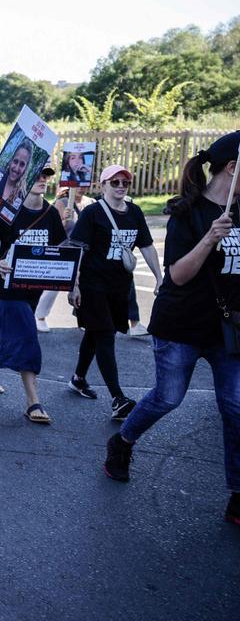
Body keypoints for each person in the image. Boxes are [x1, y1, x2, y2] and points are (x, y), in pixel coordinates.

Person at [103, 131, 240, 527]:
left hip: (227, 329)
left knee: (235, 407)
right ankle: (122, 442)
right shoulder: (186, 212)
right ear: (232, 167)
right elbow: (178, 275)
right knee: (168, 397)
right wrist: (210, 239)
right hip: (181, 324)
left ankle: (237, 493)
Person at [68, 164, 161, 420]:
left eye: (124, 183)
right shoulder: (92, 213)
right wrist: (73, 285)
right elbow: (77, 250)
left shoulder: (135, 212)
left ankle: (78, 378)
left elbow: (147, 246)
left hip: (119, 287)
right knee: (105, 334)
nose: (120, 187)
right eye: (114, 182)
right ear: (103, 185)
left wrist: (159, 278)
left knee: (96, 333)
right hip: (92, 286)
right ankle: (118, 398)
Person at [0, 167, 66, 422]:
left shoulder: (50, 213)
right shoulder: (8, 212)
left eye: (45, 176)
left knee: (5, 326)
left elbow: (61, 248)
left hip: (34, 288)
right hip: (8, 286)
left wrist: (73, 282)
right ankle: (32, 401)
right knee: (27, 336)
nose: (42, 180)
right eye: (36, 176)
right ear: (24, 180)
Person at [34, 185, 91, 331]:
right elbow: (54, 229)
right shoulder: (63, 202)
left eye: (84, 185)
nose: (81, 188)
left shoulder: (90, 202)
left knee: (84, 285)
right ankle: (39, 316)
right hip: (64, 249)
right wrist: (64, 220)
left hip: (84, 251)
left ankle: (84, 318)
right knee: (53, 286)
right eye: (78, 185)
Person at [0, 139, 34, 209]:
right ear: (11, 160)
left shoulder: (22, 196)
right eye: (15, 161)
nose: (16, 168)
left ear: (25, 168)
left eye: (22, 164)